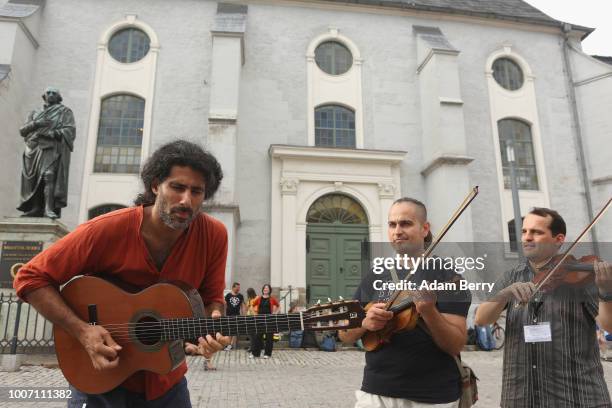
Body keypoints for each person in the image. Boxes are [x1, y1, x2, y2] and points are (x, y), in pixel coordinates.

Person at [13, 140, 229, 407]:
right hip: (100, 380)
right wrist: (82, 331)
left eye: (197, 191)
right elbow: (30, 277)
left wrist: (214, 327)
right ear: (155, 186)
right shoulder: (107, 229)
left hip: (167, 383)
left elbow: (212, 300)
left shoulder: (214, 235)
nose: (186, 200)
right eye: (177, 187)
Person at [338, 197, 471, 408]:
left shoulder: (448, 277)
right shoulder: (376, 274)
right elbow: (344, 334)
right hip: (375, 393)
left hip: (432, 397)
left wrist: (429, 312)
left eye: (406, 223)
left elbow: (455, 344)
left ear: (424, 229)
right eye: (392, 224)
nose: (397, 230)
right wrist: (364, 324)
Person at [475, 207, 612, 407]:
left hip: (575, 396)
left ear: (558, 240)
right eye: (524, 232)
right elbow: (481, 319)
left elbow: (608, 325)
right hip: (522, 397)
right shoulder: (511, 277)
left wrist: (606, 292)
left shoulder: (583, 278)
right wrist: (504, 294)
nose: (527, 237)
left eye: (537, 232)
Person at [17, 87, 76, 219]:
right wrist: (37, 123)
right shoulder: (35, 112)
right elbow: (23, 131)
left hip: (51, 147)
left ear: (58, 97)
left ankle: (48, 209)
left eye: (54, 93)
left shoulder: (64, 112)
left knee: (48, 175)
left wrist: (53, 133)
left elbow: (70, 130)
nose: (50, 95)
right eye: (48, 93)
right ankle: (36, 207)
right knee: (33, 180)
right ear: (44, 95)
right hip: (33, 148)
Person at [249, 283, 280, 359]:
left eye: (267, 288)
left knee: (269, 337)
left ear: (269, 290)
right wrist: (255, 314)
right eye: (265, 288)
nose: (266, 289)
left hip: (269, 319)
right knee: (258, 337)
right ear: (263, 290)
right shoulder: (259, 298)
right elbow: (252, 306)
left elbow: (278, 306)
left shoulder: (272, 299)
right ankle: (255, 353)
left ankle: (267, 354)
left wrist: (275, 313)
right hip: (260, 319)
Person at [224, 282, 246, 350]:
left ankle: (232, 345)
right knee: (229, 330)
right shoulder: (228, 295)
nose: (238, 289)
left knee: (235, 330)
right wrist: (224, 314)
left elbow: (242, 306)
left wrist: (243, 315)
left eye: (239, 288)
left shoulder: (240, 296)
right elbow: (225, 305)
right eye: (237, 288)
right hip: (229, 315)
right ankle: (228, 344)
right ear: (233, 287)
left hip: (237, 315)